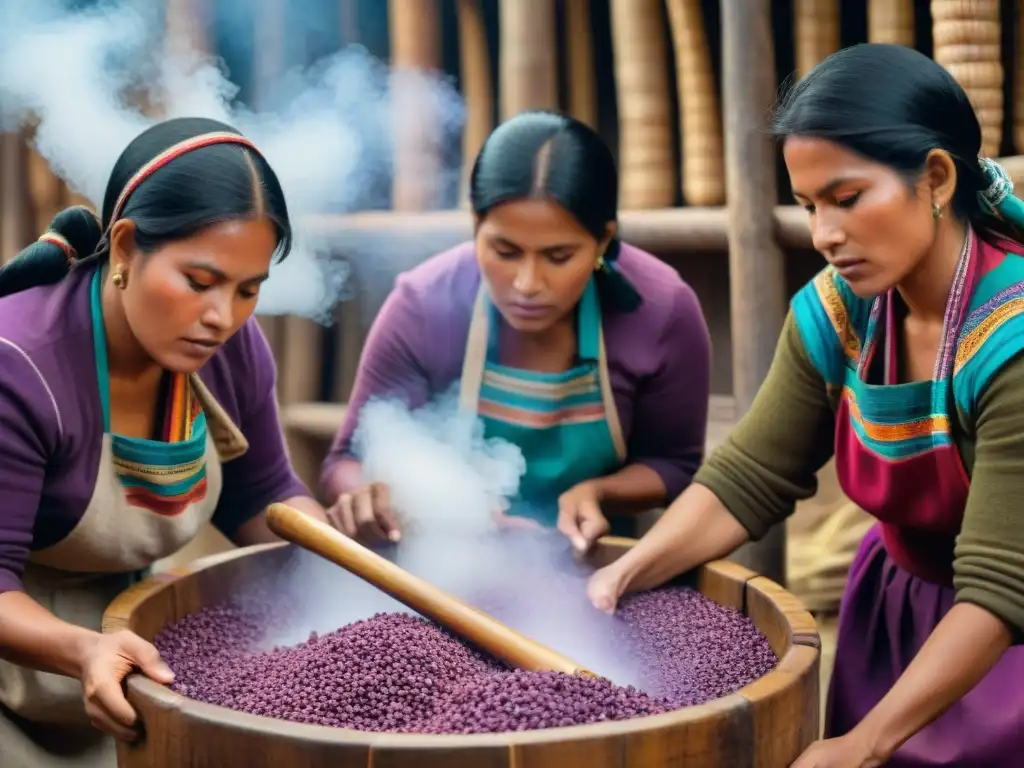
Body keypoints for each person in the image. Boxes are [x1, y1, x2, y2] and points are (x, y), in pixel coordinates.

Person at [583, 43, 1024, 768]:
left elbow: (1002, 588)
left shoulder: (1010, 340)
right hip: (891, 620)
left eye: (848, 199)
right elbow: (749, 476)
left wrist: (865, 743)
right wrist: (624, 574)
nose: (824, 236)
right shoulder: (838, 312)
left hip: (1000, 647)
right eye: (810, 205)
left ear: (937, 177)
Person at [0, 117, 338, 767]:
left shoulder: (231, 350)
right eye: (200, 281)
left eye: (249, 290)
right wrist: (85, 650)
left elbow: (262, 496)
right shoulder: (21, 366)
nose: (223, 317)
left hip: (129, 670)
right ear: (125, 248)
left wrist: (335, 562)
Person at [320, 110, 711, 546]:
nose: (527, 284)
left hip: (588, 567)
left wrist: (597, 493)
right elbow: (346, 460)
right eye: (504, 251)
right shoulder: (422, 306)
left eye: (558, 257)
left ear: (603, 239)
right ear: (475, 227)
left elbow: (673, 463)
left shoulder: (663, 312)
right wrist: (373, 496)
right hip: (438, 562)